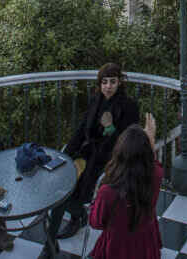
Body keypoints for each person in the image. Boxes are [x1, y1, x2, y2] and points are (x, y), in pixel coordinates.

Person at [43, 63, 140, 253]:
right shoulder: (96, 100)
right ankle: (55, 238)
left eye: (113, 82)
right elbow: (81, 130)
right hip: (87, 153)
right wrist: (66, 154)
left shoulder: (129, 107)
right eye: (104, 82)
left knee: (70, 196)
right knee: (61, 186)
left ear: (120, 83)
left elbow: (128, 140)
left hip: (109, 159)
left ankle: (73, 219)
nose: (108, 86)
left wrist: (111, 129)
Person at [85, 115, 163, 259]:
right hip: (146, 239)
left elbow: (96, 223)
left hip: (117, 246)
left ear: (119, 152)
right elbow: (151, 161)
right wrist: (149, 139)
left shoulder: (108, 192)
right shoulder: (157, 173)